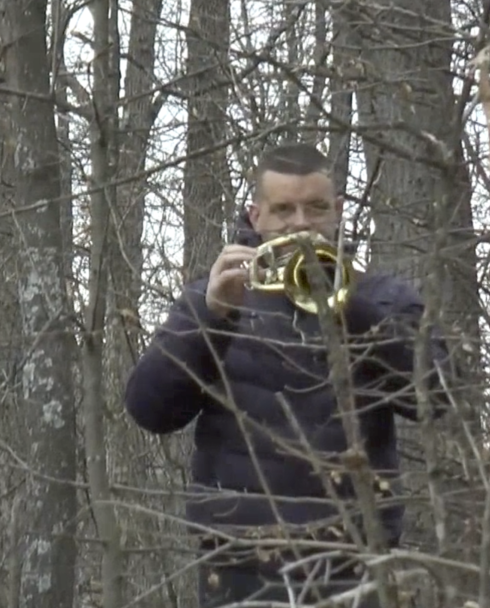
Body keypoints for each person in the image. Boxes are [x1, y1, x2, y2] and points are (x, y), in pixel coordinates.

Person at [123, 142, 452, 608]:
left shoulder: (382, 298)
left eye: (315, 208)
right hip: (240, 569)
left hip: (357, 566)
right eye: (283, 210)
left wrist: (348, 306)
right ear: (255, 217)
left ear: (337, 212)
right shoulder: (214, 297)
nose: (300, 223)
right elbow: (148, 409)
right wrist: (211, 317)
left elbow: (442, 395)